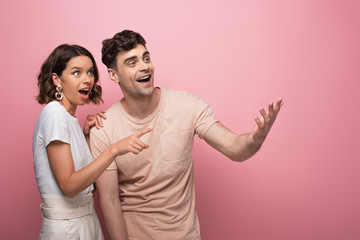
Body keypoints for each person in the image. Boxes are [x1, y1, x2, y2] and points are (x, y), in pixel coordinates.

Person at [89, 30, 283, 240]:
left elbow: (234, 148)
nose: (145, 66)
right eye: (132, 62)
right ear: (114, 74)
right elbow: (108, 200)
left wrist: (255, 139)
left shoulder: (187, 105)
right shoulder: (103, 128)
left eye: (146, 58)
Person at [33, 44, 151, 239]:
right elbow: (70, 187)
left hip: (87, 221)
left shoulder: (70, 121)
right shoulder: (54, 113)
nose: (87, 79)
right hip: (66, 229)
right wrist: (114, 150)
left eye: (90, 72)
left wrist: (86, 136)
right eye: (76, 73)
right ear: (56, 79)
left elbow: (88, 185)